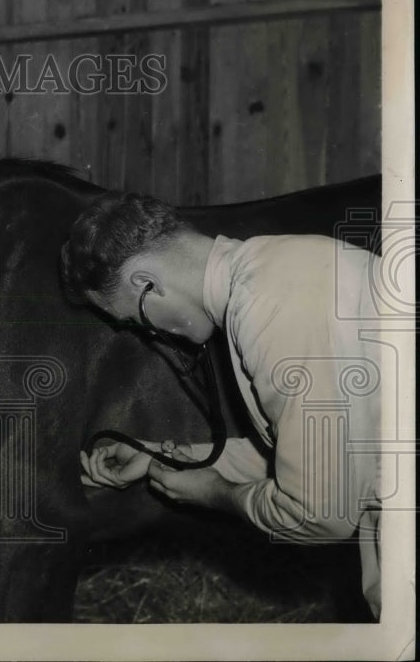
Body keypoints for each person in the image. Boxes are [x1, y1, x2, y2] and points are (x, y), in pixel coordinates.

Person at [59, 191, 382, 618]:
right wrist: (163, 458)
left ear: (146, 283)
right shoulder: (279, 267)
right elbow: (335, 452)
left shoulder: (268, 310)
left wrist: (215, 493)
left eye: (136, 320)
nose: (153, 333)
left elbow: (324, 514)